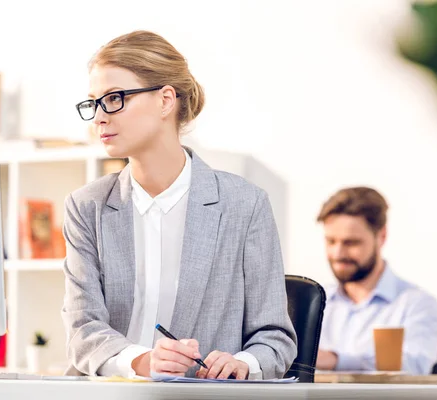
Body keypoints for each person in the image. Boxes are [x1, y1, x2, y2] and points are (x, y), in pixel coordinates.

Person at [61, 30, 297, 380]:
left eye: (114, 99)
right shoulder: (87, 207)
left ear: (165, 100)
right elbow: (83, 329)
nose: (99, 116)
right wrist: (141, 361)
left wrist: (244, 364)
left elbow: (275, 338)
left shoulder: (245, 206)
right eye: (93, 103)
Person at [316, 187, 437, 374]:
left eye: (351, 243)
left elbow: (414, 366)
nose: (338, 253)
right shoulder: (316, 304)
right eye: (331, 241)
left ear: (381, 237)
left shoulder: (416, 304)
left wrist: (336, 360)